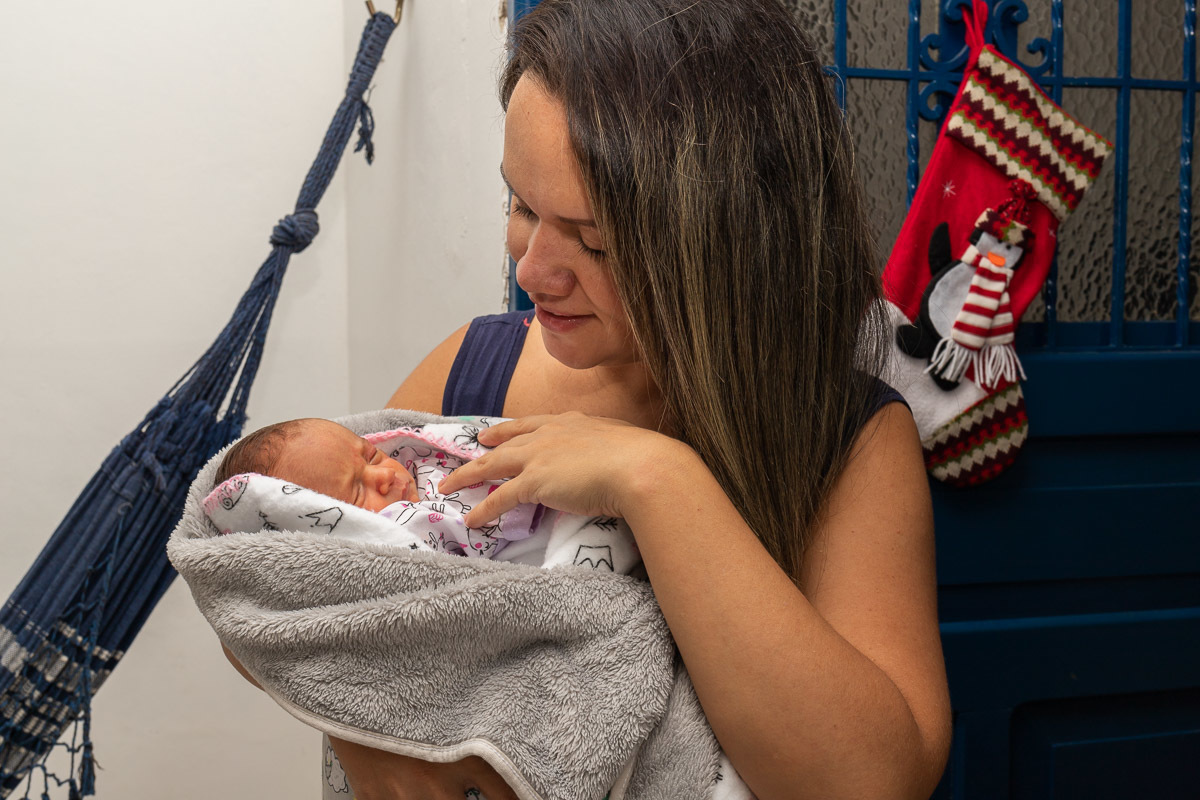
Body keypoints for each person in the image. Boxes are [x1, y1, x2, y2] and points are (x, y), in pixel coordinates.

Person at [293, 0, 951, 797]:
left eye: (594, 238)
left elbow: (874, 781)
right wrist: (356, 726)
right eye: (522, 206)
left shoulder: (848, 440)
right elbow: (260, 552)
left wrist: (657, 482)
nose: (533, 270)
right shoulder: (469, 374)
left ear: (730, 239)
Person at [208, 416, 634, 566]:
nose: (384, 475)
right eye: (357, 494)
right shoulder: (390, 536)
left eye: (371, 457)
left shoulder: (423, 462)